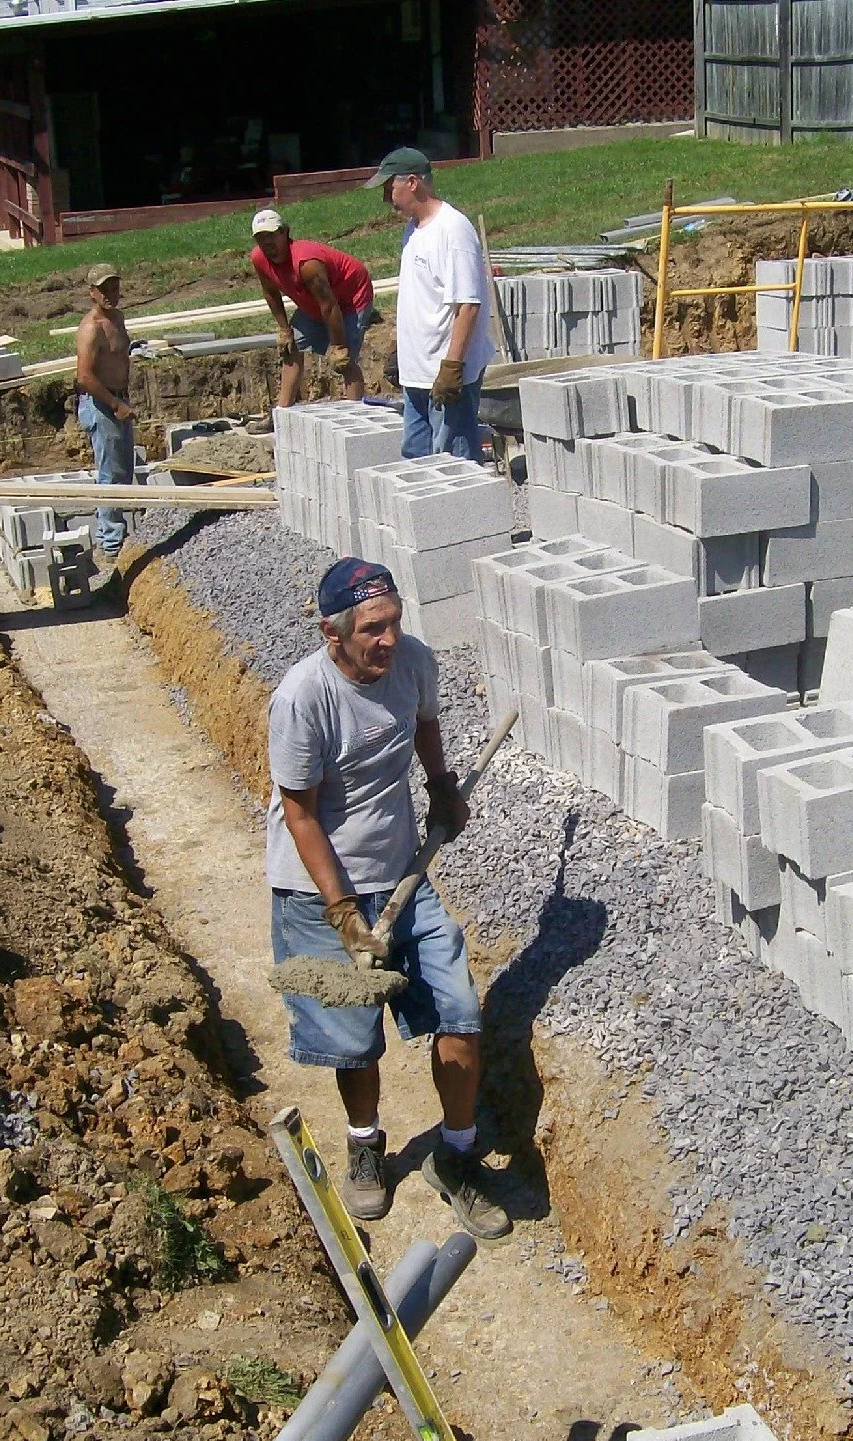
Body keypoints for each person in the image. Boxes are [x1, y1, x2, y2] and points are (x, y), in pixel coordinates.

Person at [266, 557, 510, 1239]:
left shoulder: (412, 662)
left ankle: (457, 1159)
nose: (390, 638)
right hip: (319, 890)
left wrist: (440, 786)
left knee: (460, 1010)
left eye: (395, 622)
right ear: (332, 633)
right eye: (374, 628)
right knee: (354, 1040)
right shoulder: (301, 698)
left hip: (403, 871)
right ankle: (365, 1143)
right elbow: (301, 815)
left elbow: (423, 719)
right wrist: (343, 913)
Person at [365, 147, 493, 462]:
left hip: (445, 373)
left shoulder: (453, 229)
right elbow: (416, 295)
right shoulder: (413, 230)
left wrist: (452, 368)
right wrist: (400, 347)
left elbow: (468, 305)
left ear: (412, 182)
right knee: (417, 458)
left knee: (455, 463)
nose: (385, 198)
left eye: (388, 187)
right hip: (417, 374)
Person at [250, 208, 374, 407]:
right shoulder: (259, 258)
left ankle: (357, 411)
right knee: (291, 347)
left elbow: (329, 305)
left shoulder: (307, 263)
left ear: (285, 232)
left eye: (271, 235)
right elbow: (270, 292)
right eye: (261, 238)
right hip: (318, 301)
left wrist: (338, 345)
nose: (267, 243)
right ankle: (281, 411)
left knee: (344, 359)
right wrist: (284, 329)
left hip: (351, 296)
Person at [72, 262, 134, 560]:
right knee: (110, 476)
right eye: (103, 289)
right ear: (92, 293)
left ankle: (119, 537)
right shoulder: (91, 329)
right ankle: (110, 546)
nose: (110, 294)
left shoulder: (118, 318)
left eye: (114, 287)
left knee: (123, 472)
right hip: (101, 405)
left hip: (118, 400)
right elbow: (84, 376)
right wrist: (115, 404)